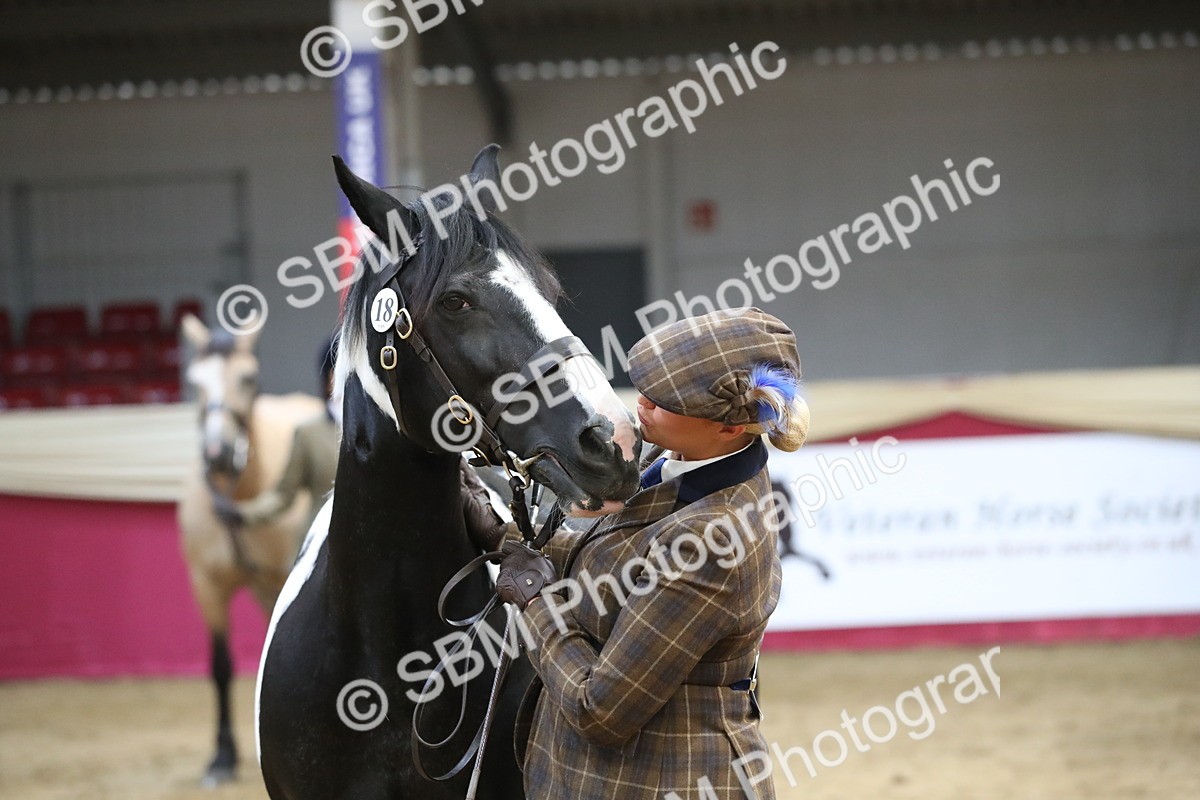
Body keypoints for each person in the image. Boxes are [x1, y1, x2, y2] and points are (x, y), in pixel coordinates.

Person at [496, 308, 810, 799]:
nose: (642, 402)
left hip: (663, 779)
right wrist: (500, 532)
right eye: (647, 386)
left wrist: (536, 601)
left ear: (729, 428)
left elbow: (599, 711)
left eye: (665, 401)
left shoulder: (711, 542)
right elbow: (617, 563)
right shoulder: (681, 456)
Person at [214, 339, 340, 538]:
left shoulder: (384, 425)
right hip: (326, 539)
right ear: (331, 377)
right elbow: (283, 496)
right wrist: (242, 515)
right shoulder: (310, 434)